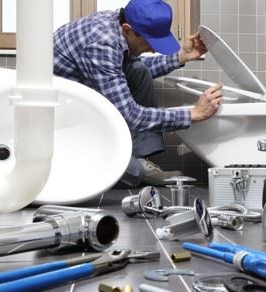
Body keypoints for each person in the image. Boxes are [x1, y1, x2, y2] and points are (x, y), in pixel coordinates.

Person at [54, 0, 222, 187]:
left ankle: (140, 157)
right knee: (134, 174)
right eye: (149, 42)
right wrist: (193, 114)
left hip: (82, 102)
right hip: (60, 119)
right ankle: (68, 165)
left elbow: (126, 70)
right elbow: (132, 115)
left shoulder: (115, 24)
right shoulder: (101, 43)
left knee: (139, 70)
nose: (153, 49)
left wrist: (183, 56)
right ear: (127, 29)